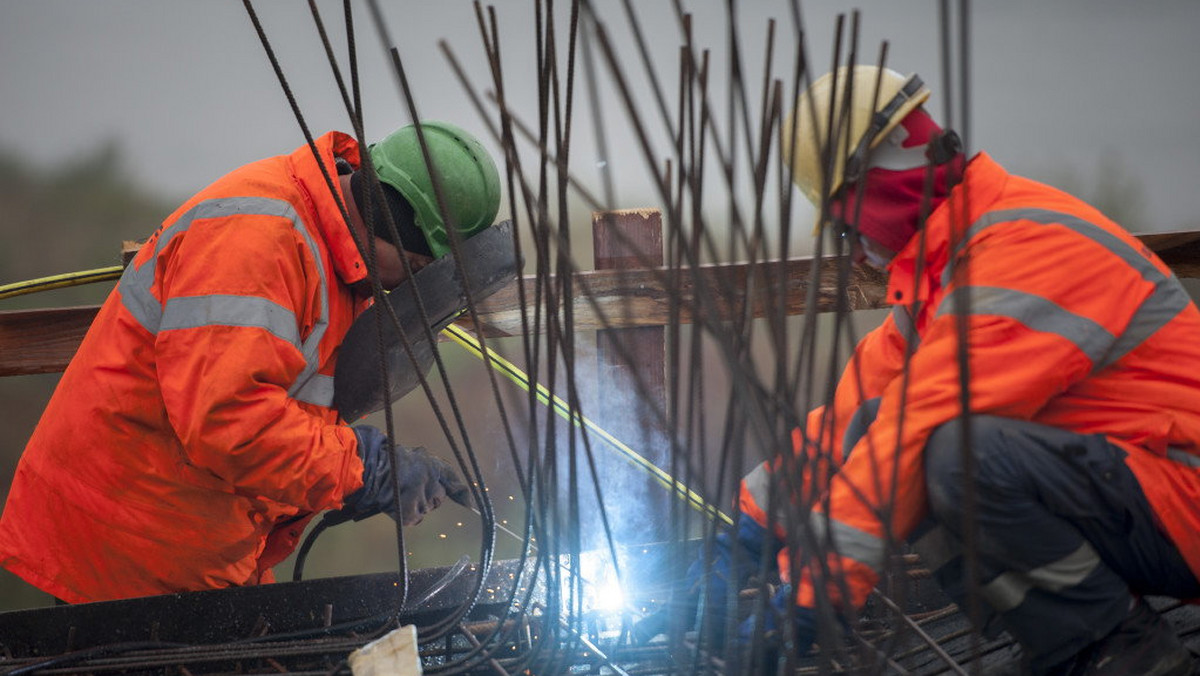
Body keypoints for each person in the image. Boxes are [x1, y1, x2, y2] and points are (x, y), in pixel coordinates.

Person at [681, 66, 1200, 675]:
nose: (852, 250)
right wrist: (747, 535)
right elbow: (854, 426)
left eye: (848, 226)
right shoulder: (947, 278)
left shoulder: (1020, 254)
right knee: (887, 428)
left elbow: (913, 436)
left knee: (957, 456)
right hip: (1141, 492)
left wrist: (805, 603)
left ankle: (1120, 650)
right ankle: (1071, 646)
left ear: (881, 191)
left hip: (1183, 494)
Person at [0, 120, 503, 604]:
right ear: (393, 226)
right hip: (125, 548)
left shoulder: (342, 260)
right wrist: (359, 467)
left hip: (200, 546)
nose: (407, 288)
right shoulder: (257, 239)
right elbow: (229, 423)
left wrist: (369, 469)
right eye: (416, 270)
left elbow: (286, 410)